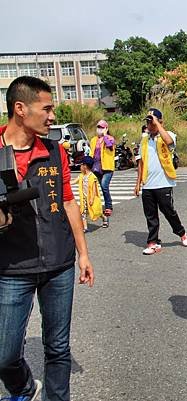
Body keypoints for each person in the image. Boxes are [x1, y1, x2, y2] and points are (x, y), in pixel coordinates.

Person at [0, 76, 94, 401]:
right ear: (20, 109)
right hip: (12, 267)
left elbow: (68, 201)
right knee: (5, 354)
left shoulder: (56, 150)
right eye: (47, 108)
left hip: (59, 264)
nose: (52, 116)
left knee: (58, 348)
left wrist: (83, 254)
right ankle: (25, 387)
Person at [134, 108, 187, 255]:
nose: (149, 125)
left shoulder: (168, 134)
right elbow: (140, 162)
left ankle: (181, 232)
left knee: (168, 211)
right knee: (150, 215)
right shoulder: (144, 139)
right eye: (148, 122)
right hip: (148, 184)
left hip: (164, 183)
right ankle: (153, 242)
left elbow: (169, 142)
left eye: (151, 121)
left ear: (160, 122)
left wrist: (157, 124)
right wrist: (138, 183)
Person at [89, 119, 115, 227]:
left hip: (107, 168)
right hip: (96, 167)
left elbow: (109, 146)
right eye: (98, 127)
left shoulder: (110, 138)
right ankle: (98, 206)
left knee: (104, 186)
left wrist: (105, 135)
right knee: (98, 187)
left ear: (106, 128)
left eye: (102, 127)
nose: (99, 129)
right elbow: (92, 152)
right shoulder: (93, 140)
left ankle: (108, 206)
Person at [78, 156, 103, 232]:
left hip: (90, 198)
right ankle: (85, 227)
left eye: (81, 165)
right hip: (84, 198)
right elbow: (74, 181)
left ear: (85, 166)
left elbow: (94, 189)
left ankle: (104, 217)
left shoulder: (92, 176)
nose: (80, 166)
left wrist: (92, 198)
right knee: (83, 212)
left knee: (96, 211)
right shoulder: (82, 176)